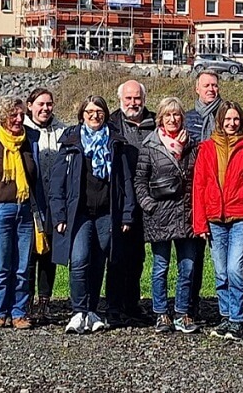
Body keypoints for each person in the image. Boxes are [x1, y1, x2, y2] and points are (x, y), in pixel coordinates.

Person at [49, 96, 136, 334]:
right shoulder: (71, 142)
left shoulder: (116, 143)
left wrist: (127, 215)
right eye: (89, 111)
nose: (94, 115)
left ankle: (93, 310)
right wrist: (59, 216)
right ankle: (79, 310)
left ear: (106, 114)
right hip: (79, 214)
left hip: (107, 214)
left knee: (99, 263)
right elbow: (57, 183)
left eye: (98, 111)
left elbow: (125, 181)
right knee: (79, 260)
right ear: (81, 114)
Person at [0, 96, 45, 329]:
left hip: (25, 210)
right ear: (3, 116)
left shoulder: (30, 140)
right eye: (13, 115)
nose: (19, 119)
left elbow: (36, 176)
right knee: (1, 265)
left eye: (22, 115)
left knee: (23, 266)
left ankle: (20, 312)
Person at [192, 101, 243, 341]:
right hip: (214, 219)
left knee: (235, 269)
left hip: (240, 217)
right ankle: (225, 315)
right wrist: (200, 222)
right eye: (227, 120)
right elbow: (199, 186)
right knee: (220, 271)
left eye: (236, 119)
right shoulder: (207, 148)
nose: (232, 124)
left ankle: (237, 318)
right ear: (220, 122)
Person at [134, 97, 200, 334]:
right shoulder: (150, 146)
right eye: (168, 115)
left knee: (188, 267)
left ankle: (183, 313)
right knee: (160, 266)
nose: (173, 119)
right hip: (159, 215)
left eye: (177, 115)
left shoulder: (194, 145)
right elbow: (140, 180)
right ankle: (161, 313)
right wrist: (148, 205)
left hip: (186, 214)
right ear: (160, 118)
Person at [107, 79, 156, 324]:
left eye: (137, 98)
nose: (133, 103)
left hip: (148, 199)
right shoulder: (111, 124)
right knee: (117, 255)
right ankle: (114, 306)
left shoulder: (156, 123)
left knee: (137, 257)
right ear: (120, 100)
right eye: (128, 98)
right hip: (119, 199)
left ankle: (132, 303)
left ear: (144, 99)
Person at [24, 87, 66, 321]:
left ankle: (45, 302)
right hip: (30, 202)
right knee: (29, 253)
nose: (45, 108)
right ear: (30, 105)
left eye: (49, 104)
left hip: (55, 203)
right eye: (40, 104)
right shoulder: (22, 130)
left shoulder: (63, 131)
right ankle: (26, 301)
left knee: (49, 255)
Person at [184, 70, 223, 320]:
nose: (211, 89)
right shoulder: (188, 118)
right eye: (206, 85)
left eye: (215, 85)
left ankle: (229, 310)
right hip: (194, 192)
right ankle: (190, 306)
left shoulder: (227, 116)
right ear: (197, 89)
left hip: (221, 192)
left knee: (225, 259)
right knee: (193, 255)